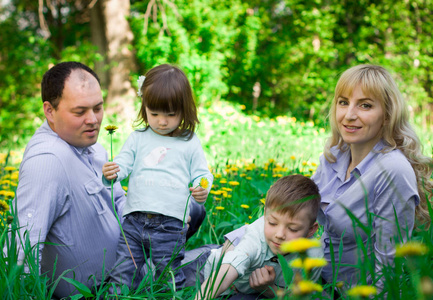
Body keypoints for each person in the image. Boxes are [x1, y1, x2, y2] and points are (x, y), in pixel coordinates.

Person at [14, 62, 206, 299]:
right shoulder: (47, 161)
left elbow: (118, 201)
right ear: (50, 111)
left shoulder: (90, 146)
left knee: (194, 209)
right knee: (222, 258)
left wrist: (157, 211)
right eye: (80, 111)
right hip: (103, 289)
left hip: (135, 250)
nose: (93, 120)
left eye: (97, 108)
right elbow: (24, 242)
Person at [313, 64, 433, 291]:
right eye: (343, 102)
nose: (349, 115)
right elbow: (292, 213)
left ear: (388, 116)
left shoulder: (392, 171)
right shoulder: (335, 156)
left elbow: (388, 269)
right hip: (312, 280)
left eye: (365, 105)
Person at [102, 64, 213, 291]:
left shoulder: (189, 142)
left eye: (170, 115)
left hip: (170, 226)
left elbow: (202, 174)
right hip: (133, 222)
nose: (162, 121)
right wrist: (113, 173)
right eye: (154, 114)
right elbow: (123, 163)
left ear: (184, 110)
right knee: (122, 274)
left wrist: (202, 187)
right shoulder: (138, 138)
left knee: (168, 276)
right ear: (145, 107)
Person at [192, 174, 323, 300]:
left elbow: (298, 296)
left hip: (246, 293)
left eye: (292, 229)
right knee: (175, 275)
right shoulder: (256, 238)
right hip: (207, 268)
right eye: (272, 223)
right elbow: (225, 273)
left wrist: (268, 288)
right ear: (265, 215)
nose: (279, 234)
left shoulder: (313, 257)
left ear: (311, 230)